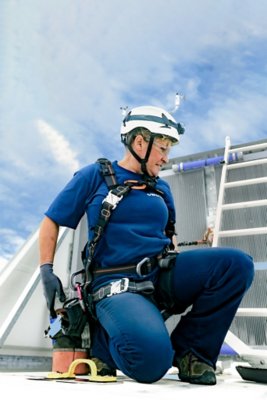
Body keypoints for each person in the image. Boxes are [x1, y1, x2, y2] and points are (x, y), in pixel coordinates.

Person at [39, 105, 254, 385]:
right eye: (162, 149)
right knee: (151, 364)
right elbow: (51, 221)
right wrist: (46, 270)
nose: (166, 158)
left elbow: (169, 236)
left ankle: (192, 352)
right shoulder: (95, 176)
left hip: (160, 276)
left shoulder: (161, 188)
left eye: (168, 151)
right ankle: (102, 343)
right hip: (115, 284)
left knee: (236, 265)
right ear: (139, 142)